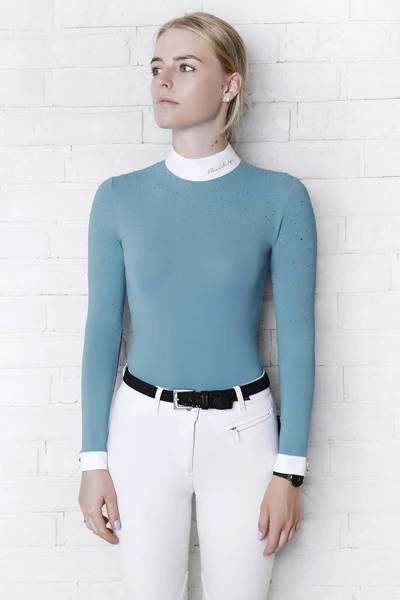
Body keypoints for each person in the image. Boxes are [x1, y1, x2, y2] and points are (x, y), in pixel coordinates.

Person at [78, 11, 317, 600]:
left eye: (186, 67)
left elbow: (298, 335)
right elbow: (103, 330)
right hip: (140, 430)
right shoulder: (118, 198)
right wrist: (92, 461)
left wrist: (290, 470)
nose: (164, 81)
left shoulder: (281, 197)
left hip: (243, 434)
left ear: (230, 84)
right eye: (157, 68)